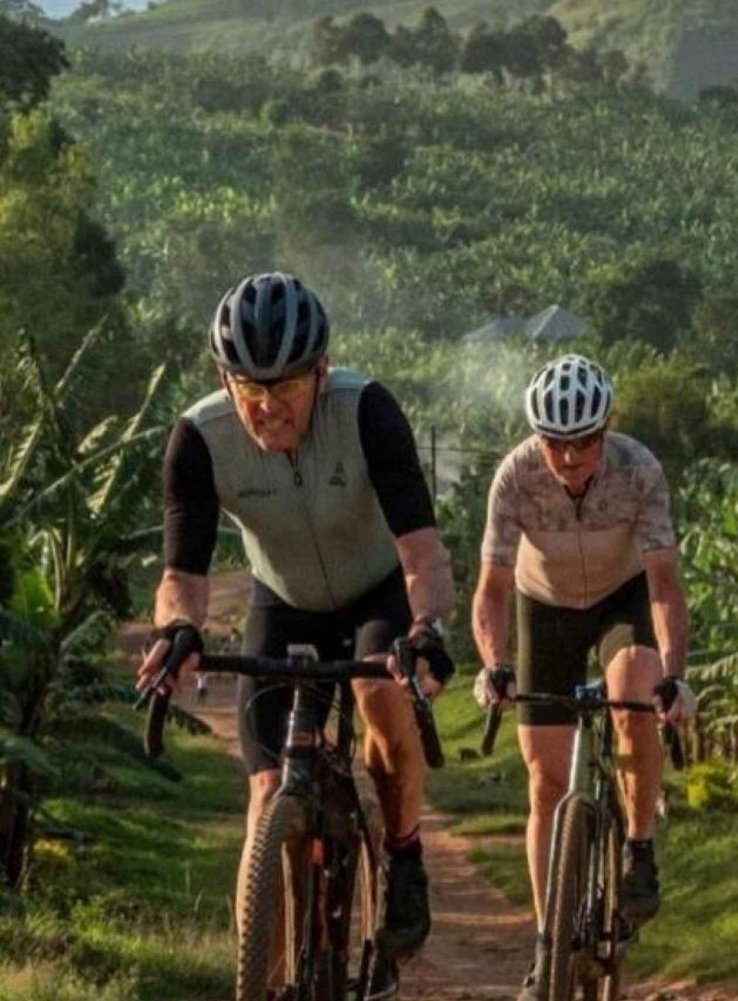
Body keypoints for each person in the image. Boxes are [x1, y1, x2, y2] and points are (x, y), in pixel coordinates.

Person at [135, 272, 455, 997]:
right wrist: (178, 627)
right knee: (264, 800)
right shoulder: (198, 437)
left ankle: (403, 854)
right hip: (281, 601)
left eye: (287, 387)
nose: (269, 406)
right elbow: (181, 571)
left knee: (380, 692)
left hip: (376, 589)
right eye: (250, 388)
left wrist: (428, 628)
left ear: (322, 369)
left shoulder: (368, 410)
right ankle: (265, 981)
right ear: (225, 377)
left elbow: (424, 555)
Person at [470, 354, 694, 1001]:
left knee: (634, 688)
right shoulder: (514, 475)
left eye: (584, 442)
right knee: (543, 780)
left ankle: (639, 846)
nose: (570, 459)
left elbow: (664, 588)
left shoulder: (638, 470)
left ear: (606, 430)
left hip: (620, 600)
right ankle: (548, 942)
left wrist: (673, 678)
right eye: (557, 443)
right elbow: (489, 591)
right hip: (544, 605)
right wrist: (494, 663)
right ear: (538, 437)